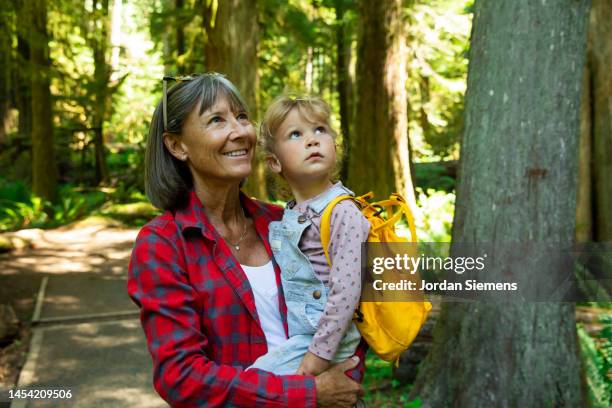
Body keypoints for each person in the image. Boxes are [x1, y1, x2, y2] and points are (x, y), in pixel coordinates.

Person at [127, 73, 366, 407]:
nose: (239, 131)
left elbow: (345, 307)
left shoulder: (281, 222)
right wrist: (308, 394)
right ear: (177, 145)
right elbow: (181, 377)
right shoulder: (163, 245)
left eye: (241, 117)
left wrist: (344, 379)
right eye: (216, 120)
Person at [247, 95, 370, 377]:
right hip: (303, 336)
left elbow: (347, 293)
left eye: (320, 130)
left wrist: (317, 357)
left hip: (325, 341)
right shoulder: (291, 214)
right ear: (274, 162)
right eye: (295, 134)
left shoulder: (343, 212)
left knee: (254, 385)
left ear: (335, 147)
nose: (312, 140)